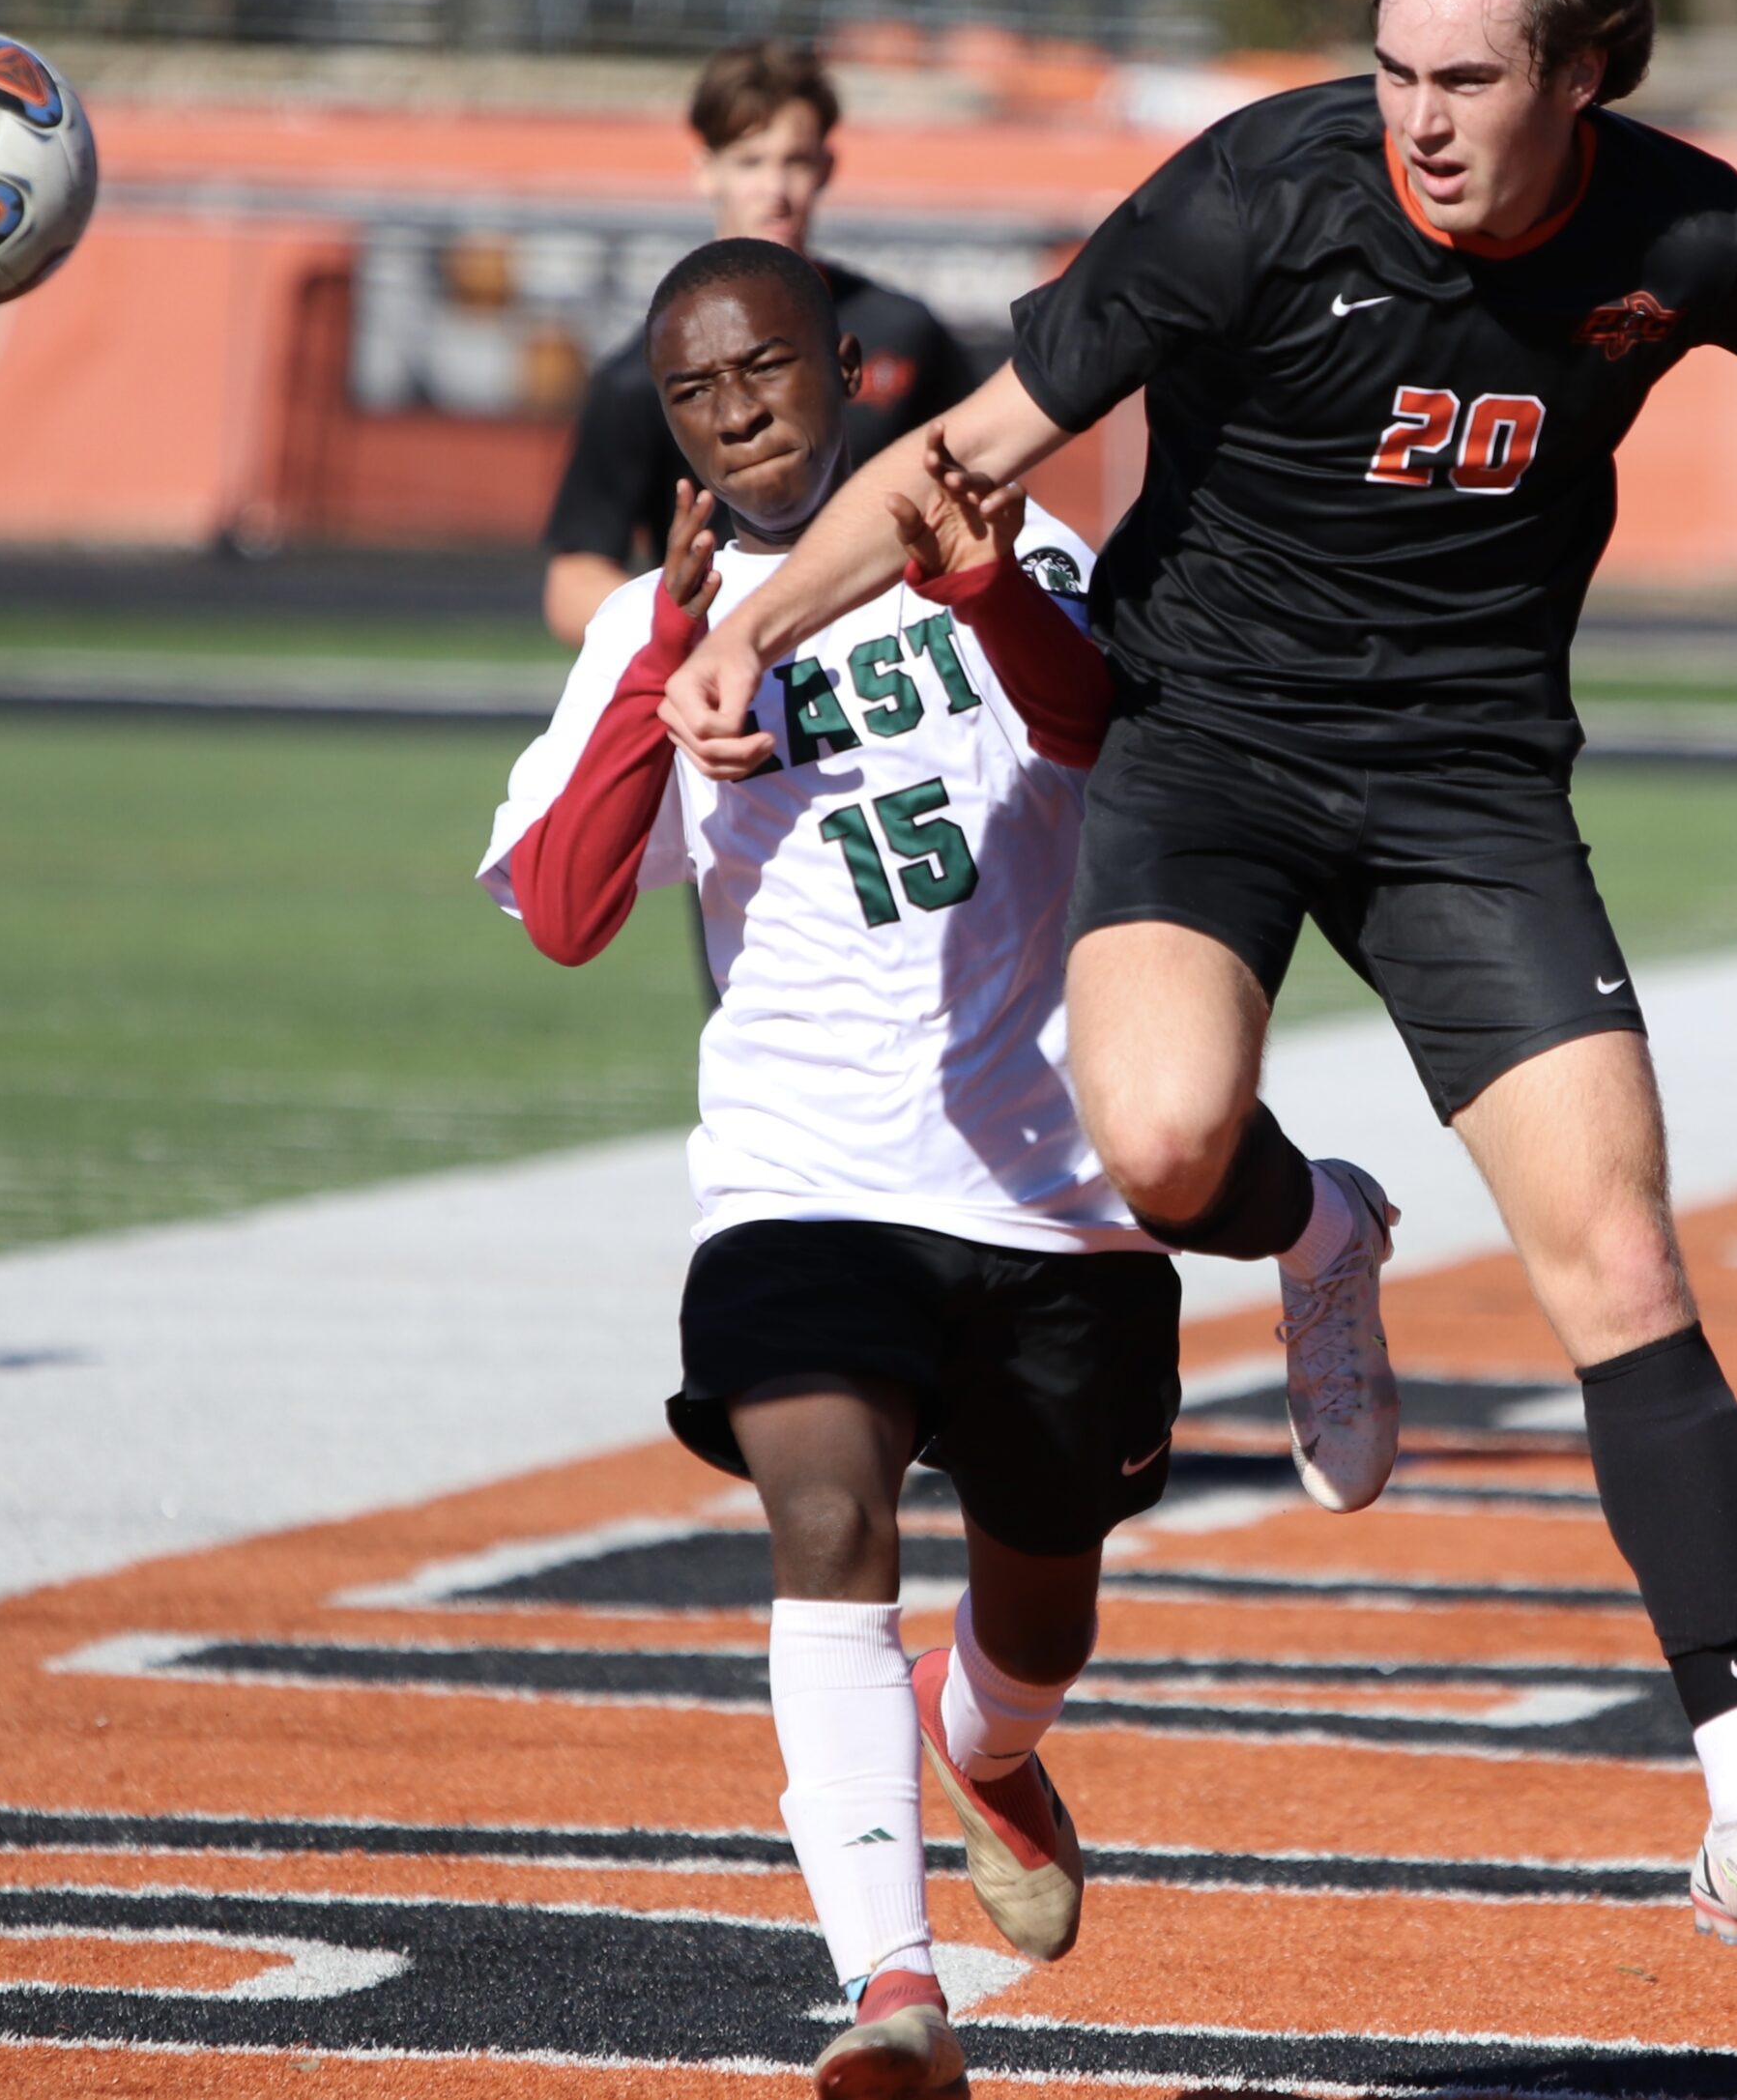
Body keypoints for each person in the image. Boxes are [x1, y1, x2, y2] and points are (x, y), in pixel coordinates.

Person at [658, 0, 1737, 1997]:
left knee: (1622, 1257)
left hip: (1465, 785)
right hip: (1205, 749)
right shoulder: (1253, 197)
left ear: (1582, 74)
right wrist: (752, 631)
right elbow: (960, 452)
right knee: (1162, 1146)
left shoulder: (1687, 230)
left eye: (1466, 81)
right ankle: (1319, 1231)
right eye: (1393, 70)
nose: (1417, 120)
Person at [479, 237, 1179, 2097]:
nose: (734, 415)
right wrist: (660, 666)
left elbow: (1110, 735)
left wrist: (980, 592)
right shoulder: (652, 622)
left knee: (1043, 1616)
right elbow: (564, 911)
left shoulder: (1009, 539)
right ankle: (895, 1988)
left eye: (765, 370)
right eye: (694, 393)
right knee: (823, 1526)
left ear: (853, 372)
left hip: (1047, 1184)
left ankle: (989, 1741)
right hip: (801, 1171)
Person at [540, 40, 976, 648]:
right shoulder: (640, 375)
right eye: (750, 161)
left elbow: (980, 499)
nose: (776, 188)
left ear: (827, 166)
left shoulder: (907, 331)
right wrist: (719, 636)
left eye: (795, 160)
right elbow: (573, 582)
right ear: (705, 169)